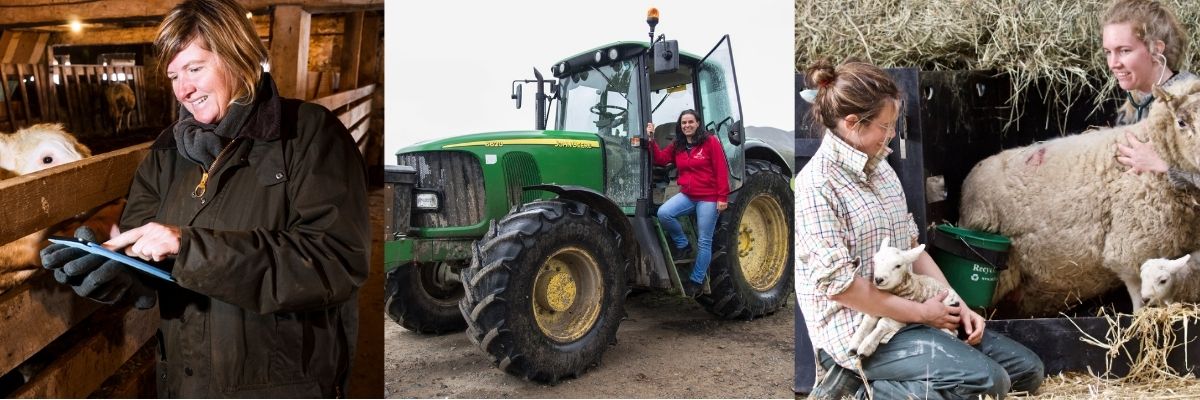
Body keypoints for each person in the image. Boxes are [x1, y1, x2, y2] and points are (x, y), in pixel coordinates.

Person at [38, 0, 369, 397]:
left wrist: (188, 246)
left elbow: (337, 260)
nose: (183, 89)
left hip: (282, 384)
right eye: (174, 75)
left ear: (237, 57)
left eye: (195, 68)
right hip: (186, 382)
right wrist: (106, 271)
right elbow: (142, 259)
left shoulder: (309, 135)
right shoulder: (166, 152)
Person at [794, 60, 1043, 399]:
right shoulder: (817, 185)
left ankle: (885, 386)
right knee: (989, 381)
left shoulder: (882, 171)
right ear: (852, 124)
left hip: (912, 311)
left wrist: (957, 306)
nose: (892, 134)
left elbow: (912, 247)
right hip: (859, 328)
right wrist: (925, 315)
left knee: (1026, 371)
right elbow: (845, 290)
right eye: (886, 125)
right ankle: (861, 389)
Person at [1108, 0, 1199, 187]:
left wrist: (1165, 167)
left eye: (1124, 50)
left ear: (1156, 50)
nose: (1113, 63)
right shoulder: (1133, 103)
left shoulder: (1191, 100)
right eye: (1108, 52)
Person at [646, 109, 729, 298]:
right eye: (684, 123)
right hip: (688, 196)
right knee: (664, 213)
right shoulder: (679, 145)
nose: (687, 126)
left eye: (690, 122)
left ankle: (696, 280)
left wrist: (722, 197)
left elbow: (721, 170)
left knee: (704, 241)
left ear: (698, 123)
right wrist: (651, 139)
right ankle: (683, 244)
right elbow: (660, 159)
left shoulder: (710, 142)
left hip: (708, 198)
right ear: (680, 126)